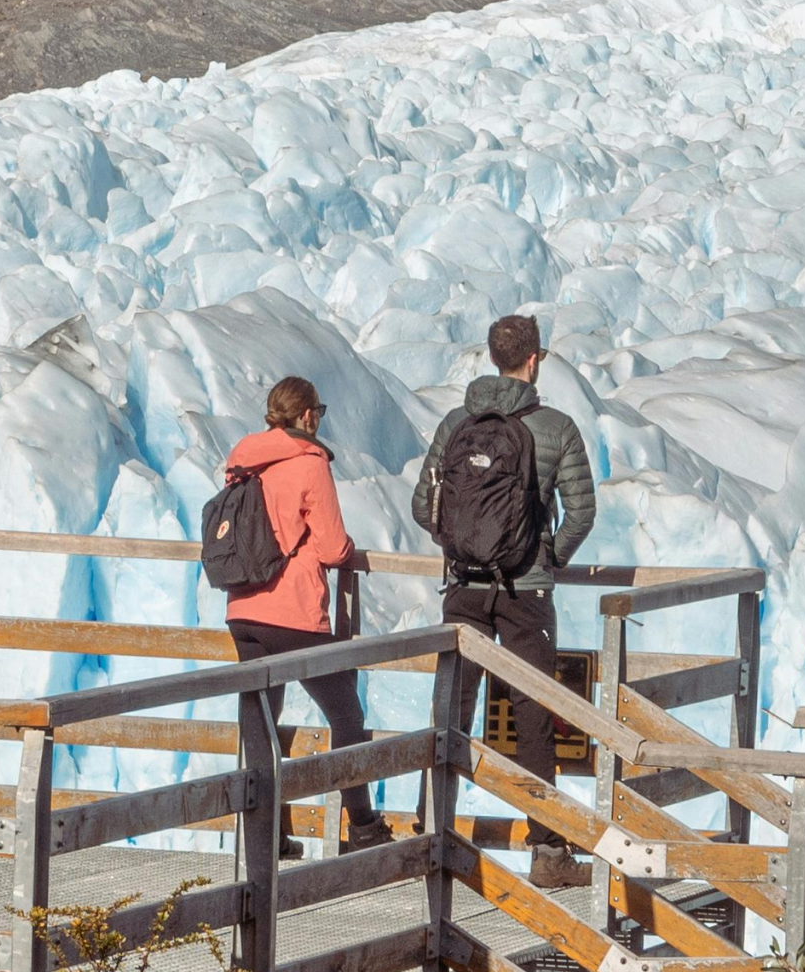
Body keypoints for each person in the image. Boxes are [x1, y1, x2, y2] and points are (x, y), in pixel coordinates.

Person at [412, 313, 597, 890]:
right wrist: (545, 555)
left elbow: (425, 507)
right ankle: (547, 852)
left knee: (451, 711)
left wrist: (463, 545)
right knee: (533, 716)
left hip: (463, 588)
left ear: (491, 358)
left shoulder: (455, 423)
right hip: (525, 591)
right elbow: (582, 513)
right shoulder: (557, 427)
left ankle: (432, 832)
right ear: (535, 359)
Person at [224, 377, 395, 856]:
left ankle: (269, 834)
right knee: (345, 711)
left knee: (260, 719)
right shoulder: (309, 463)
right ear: (306, 417)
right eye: (317, 411)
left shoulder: (243, 460)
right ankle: (361, 824)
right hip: (293, 612)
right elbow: (332, 545)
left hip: (242, 609)